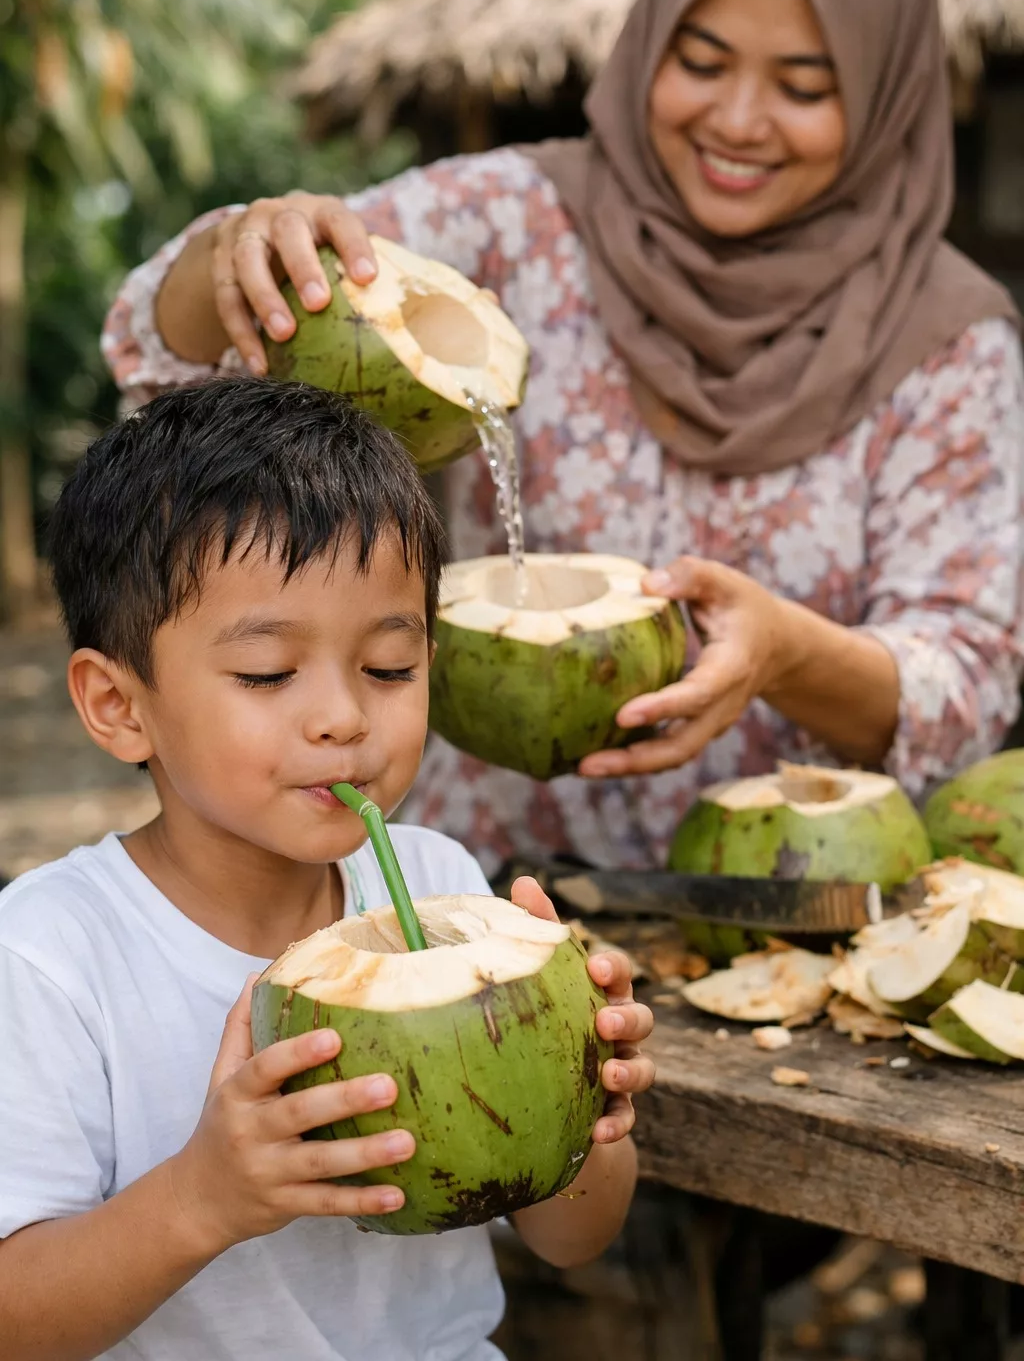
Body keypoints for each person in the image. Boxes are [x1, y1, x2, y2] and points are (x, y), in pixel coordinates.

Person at [101, 0, 1024, 879]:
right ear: (644, 47)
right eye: (701, 63)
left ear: (886, 97)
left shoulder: (947, 340)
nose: (736, 119)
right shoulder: (514, 220)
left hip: (789, 901)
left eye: (803, 86)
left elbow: (969, 680)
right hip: (456, 884)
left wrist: (787, 654)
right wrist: (238, 253)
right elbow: (168, 364)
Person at [0, 378, 653, 1361]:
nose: (345, 717)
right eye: (267, 674)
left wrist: (581, 1102)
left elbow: (574, 1238)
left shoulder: (441, 886)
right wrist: (203, 1198)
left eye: (389, 667)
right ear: (119, 705)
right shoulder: (50, 958)